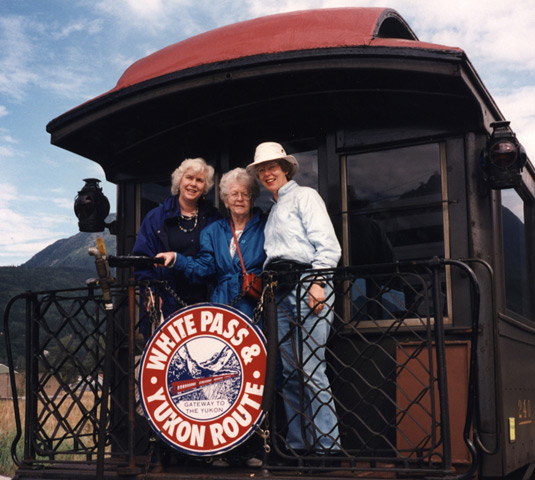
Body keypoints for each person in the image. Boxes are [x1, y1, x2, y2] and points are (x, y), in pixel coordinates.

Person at [156, 167, 266, 467]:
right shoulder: (213, 231)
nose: (239, 198)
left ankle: (254, 448)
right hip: (222, 308)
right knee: (224, 378)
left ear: (252, 197)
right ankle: (224, 450)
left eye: (245, 193)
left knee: (254, 376)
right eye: (234, 194)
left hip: (254, 307)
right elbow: (204, 268)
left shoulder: (265, 225)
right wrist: (177, 260)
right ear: (225, 200)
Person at [246, 141, 341, 456]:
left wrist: (318, 282)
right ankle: (302, 445)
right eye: (262, 169)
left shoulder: (305, 197)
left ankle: (328, 448)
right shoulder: (273, 211)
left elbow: (327, 245)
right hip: (278, 294)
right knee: (288, 374)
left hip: (305, 285)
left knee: (312, 368)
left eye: (272, 166)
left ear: (285, 168)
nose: (267, 173)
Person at [132, 157, 219, 339]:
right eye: (189, 178)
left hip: (205, 302)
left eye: (199, 180)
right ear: (179, 180)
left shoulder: (213, 218)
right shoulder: (155, 217)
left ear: (205, 187)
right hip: (166, 300)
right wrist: (152, 293)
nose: (193, 184)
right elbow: (142, 260)